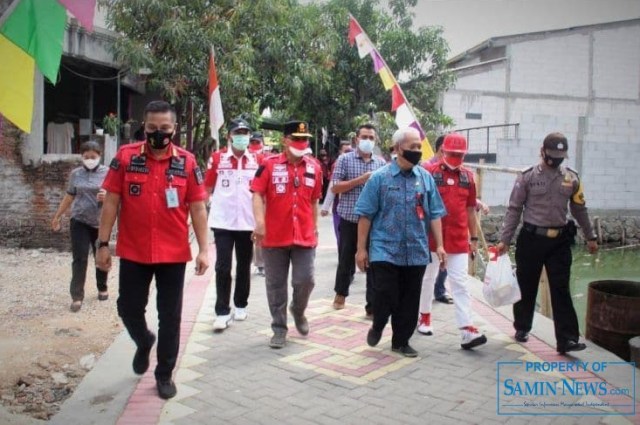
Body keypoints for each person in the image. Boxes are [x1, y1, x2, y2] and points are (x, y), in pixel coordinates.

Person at [96, 100, 209, 400]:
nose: (158, 134)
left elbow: (197, 208)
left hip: (173, 254)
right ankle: (144, 340)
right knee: (128, 308)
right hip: (134, 251)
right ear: (143, 128)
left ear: (174, 129)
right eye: (152, 129)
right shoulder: (126, 157)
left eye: (164, 129)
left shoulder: (186, 162)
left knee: (170, 317)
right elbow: (111, 202)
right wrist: (103, 244)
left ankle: (164, 374)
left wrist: (204, 250)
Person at [497, 132, 598, 354]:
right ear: (542, 151)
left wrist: (591, 237)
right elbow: (514, 209)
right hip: (531, 239)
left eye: (560, 156)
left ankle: (567, 339)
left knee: (561, 289)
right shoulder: (527, 176)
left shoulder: (572, 178)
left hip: (559, 242)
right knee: (527, 285)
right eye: (552, 155)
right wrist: (505, 240)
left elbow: (579, 209)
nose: (555, 159)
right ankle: (522, 327)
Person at [355, 127, 446, 357]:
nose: (416, 151)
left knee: (409, 298)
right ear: (396, 149)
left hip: (416, 249)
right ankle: (378, 324)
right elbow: (365, 215)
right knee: (385, 293)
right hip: (384, 248)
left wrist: (440, 245)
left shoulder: (425, 178)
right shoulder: (379, 179)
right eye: (411, 147)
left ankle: (400, 341)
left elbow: (434, 213)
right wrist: (360, 250)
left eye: (419, 146)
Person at [250, 120, 323, 349]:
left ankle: (298, 310)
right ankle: (279, 328)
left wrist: (315, 226)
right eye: (297, 139)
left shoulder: (315, 167)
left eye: (305, 139)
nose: (302, 143)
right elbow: (257, 194)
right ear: (285, 140)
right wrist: (260, 224)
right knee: (275, 285)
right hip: (274, 236)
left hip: (304, 235)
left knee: (306, 279)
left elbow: (314, 201)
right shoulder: (268, 165)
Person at [417, 133, 488, 349]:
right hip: (431, 238)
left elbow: (469, 210)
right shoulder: (429, 173)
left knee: (460, 283)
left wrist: (473, 238)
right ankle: (424, 317)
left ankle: (467, 329)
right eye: (452, 153)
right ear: (442, 152)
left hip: (458, 239)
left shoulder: (468, 177)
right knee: (428, 278)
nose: (456, 157)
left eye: (460, 154)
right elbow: (419, 202)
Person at [205, 118, 262, 331]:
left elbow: (261, 192)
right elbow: (207, 187)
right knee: (222, 266)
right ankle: (221, 310)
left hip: (247, 222)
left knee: (244, 265)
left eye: (245, 132)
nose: (242, 136)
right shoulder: (218, 158)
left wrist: (261, 222)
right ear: (229, 135)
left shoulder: (257, 160)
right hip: (223, 221)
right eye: (238, 132)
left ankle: (240, 304)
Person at [331, 124, 386, 316]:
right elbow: (335, 188)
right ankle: (340, 293)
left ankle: (371, 305)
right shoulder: (344, 160)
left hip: (373, 222)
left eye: (371, 138)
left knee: (373, 263)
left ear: (376, 140)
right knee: (346, 258)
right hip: (349, 218)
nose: (368, 141)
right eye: (365, 137)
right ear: (356, 139)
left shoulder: (380, 164)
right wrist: (360, 180)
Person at [51, 141, 109, 312]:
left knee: (101, 255)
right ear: (81, 157)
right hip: (79, 220)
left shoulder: (108, 173)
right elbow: (69, 196)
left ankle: (102, 286)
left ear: (100, 156)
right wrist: (57, 216)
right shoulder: (76, 174)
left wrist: (107, 196)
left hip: (100, 222)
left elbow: (115, 196)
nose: (90, 159)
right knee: (79, 258)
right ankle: (77, 296)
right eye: (86, 157)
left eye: (93, 157)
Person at [320, 142, 353, 248]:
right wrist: (326, 206)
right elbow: (332, 186)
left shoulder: (357, 163)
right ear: (340, 152)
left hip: (355, 208)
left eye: (350, 151)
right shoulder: (338, 164)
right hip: (339, 207)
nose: (348, 154)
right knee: (341, 238)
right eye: (346, 151)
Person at [249, 131, 266, 276]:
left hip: (260, 200)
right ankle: (247, 261)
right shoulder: (244, 157)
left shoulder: (265, 159)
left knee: (260, 230)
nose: (255, 145)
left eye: (257, 142)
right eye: (253, 142)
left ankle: (261, 263)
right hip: (244, 201)